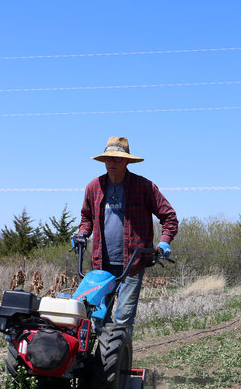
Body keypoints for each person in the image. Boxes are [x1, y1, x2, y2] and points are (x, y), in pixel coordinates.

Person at [74, 136, 178, 341]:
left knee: (123, 318)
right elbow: (86, 218)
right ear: (104, 161)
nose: (113, 163)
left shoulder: (144, 187)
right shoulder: (93, 187)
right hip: (101, 263)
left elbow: (169, 217)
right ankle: (101, 364)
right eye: (109, 159)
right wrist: (81, 234)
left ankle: (119, 365)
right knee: (98, 316)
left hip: (132, 263)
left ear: (127, 161)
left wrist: (165, 241)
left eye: (118, 159)